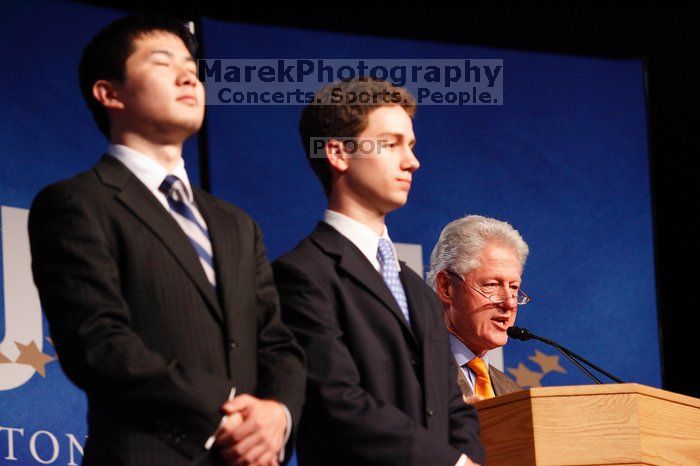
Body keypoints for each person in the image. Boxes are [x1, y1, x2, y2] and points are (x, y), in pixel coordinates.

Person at [28, 14, 304, 466]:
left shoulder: (237, 224)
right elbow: (98, 342)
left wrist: (277, 415)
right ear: (109, 92)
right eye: (162, 62)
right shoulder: (78, 203)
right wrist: (229, 413)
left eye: (191, 66)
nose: (188, 75)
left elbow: (277, 343)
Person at [272, 77, 483, 466]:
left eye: (412, 146)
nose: (413, 161)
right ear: (337, 153)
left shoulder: (417, 291)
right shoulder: (302, 275)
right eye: (391, 144)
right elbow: (337, 402)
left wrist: (465, 458)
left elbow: (454, 406)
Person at [426, 215, 529, 402]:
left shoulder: (515, 396)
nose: (510, 303)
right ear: (446, 287)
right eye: (491, 285)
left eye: (514, 287)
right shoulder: (409, 373)